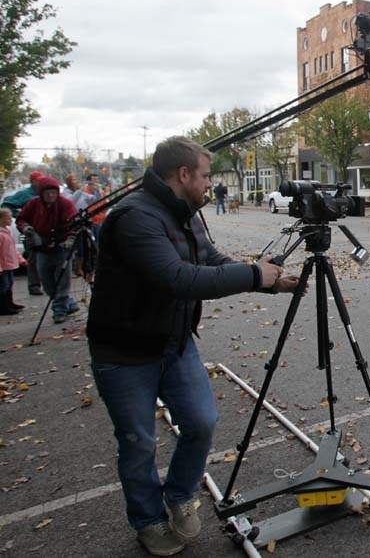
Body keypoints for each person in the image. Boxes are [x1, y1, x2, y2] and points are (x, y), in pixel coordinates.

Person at [86, 136, 298, 556]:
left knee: (201, 422)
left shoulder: (187, 213)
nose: (208, 184)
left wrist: (268, 281)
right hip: (125, 353)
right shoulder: (134, 217)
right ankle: (147, 520)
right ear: (183, 175)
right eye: (204, 176)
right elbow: (178, 278)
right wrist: (255, 276)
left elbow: (210, 260)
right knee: (138, 443)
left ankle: (180, 493)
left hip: (175, 343)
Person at [15, 176, 80, 323]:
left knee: (62, 282)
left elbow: (75, 223)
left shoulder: (65, 204)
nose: (51, 195)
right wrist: (27, 229)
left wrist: (70, 238)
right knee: (48, 284)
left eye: (53, 192)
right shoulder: (33, 204)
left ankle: (59, 311)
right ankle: (69, 304)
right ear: (41, 193)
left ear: (57, 192)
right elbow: (21, 219)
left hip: (62, 247)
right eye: (47, 193)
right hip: (42, 248)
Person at [1, 170, 45, 295]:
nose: (41, 182)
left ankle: (47, 284)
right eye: (39, 180)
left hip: (45, 230)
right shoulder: (25, 194)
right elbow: (6, 205)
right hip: (29, 230)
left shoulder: (44, 193)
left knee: (46, 257)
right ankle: (34, 286)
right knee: (33, 257)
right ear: (33, 181)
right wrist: (20, 215)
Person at [0, 207, 26, 315]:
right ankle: (2, 307)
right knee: (3, 286)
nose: (11, 220)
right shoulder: (1, 235)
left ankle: (9, 303)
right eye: (8, 218)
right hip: (3, 266)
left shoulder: (7, 232)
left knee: (9, 284)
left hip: (10, 265)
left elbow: (13, 249)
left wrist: (20, 259)